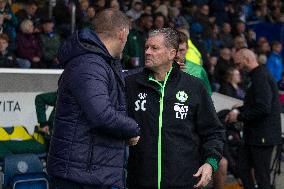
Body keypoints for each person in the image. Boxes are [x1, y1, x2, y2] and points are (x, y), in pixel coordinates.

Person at [47, 9, 140, 189]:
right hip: (79, 177)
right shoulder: (89, 64)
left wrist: (149, 74)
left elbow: (121, 77)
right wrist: (133, 128)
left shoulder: (100, 61)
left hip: (88, 173)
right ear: (123, 33)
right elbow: (101, 115)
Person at [125, 28, 225, 189]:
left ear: (172, 53)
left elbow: (213, 131)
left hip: (183, 182)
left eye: (154, 48)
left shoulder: (194, 86)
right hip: (139, 182)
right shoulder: (130, 84)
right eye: (146, 47)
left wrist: (210, 163)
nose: (148, 52)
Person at [225, 48, 282, 189]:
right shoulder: (256, 76)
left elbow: (263, 108)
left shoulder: (261, 77)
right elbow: (256, 104)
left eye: (238, 64)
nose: (238, 67)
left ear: (246, 59)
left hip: (263, 136)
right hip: (254, 135)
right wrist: (241, 109)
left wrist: (239, 116)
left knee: (262, 176)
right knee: (242, 167)